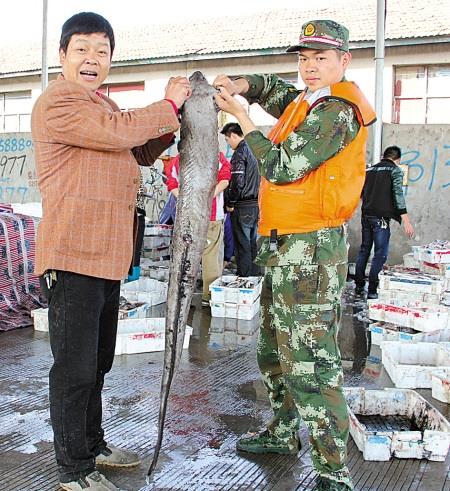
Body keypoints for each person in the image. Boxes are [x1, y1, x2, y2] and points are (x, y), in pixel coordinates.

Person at [214, 19, 376, 491]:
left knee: (310, 359)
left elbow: (284, 167)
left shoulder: (336, 112)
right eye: (304, 58)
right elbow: (275, 89)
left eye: (321, 58)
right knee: (274, 348)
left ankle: (333, 471)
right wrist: (246, 84)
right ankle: (283, 431)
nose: (310, 66)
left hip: (311, 250)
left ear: (344, 60)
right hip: (285, 245)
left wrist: (245, 121)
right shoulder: (307, 100)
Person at [31, 12, 191, 491]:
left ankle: (93, 445)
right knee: (74, 368)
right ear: (62, 56)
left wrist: (176, 118)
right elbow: (120, 133)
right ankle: (73, 469)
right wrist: (166, 103)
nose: (91, 60)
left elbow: (137, 149)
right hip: (73, 253)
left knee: (97, 362)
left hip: (106, 254)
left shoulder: (101, 107)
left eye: (101, 52)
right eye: (81, 50)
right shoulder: (60, 102)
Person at [163, 149, 231, 305]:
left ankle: (181, 297)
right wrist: (207, 198)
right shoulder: (215, 155)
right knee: (210, 258)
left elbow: (171, 183)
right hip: (211, 216)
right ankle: (208, 297)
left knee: (185, 256)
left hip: (188, 218)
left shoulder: (180, 158)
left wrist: (187, 200)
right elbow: (225, 179)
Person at [354, 145, 414, 298]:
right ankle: (372, 290)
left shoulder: (369, 170)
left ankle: (359, 286)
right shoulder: (395, 171)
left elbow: (360, 193)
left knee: (364, 250)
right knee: (380, 254)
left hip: (366, 215)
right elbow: (398, 196)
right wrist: (406, 221)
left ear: (384, 156)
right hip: (380, 219)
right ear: (397, 159)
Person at [221, 122, 261, 277]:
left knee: (242, 245)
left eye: (227, 139)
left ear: (233, 135)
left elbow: (238, 182)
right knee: (253, 244)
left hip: (242, 205)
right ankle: (255, 277)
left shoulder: (240, 152)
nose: (228, 143)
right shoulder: (256, 150)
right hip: (256, 205)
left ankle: (245, 279)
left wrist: (230, 202)